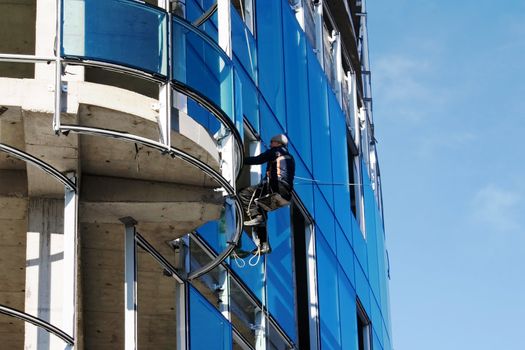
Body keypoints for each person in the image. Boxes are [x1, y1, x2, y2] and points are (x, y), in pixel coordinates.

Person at [237, 134, 295, 254]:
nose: (270, 145)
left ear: (278, 143)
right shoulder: (289, 157)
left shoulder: (276, 151)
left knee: (243, 194)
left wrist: (240, 160)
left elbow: (258, 160)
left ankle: (256, 217)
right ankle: (264, 245)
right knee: (261, 210)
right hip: (285, 192)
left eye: (272, 142)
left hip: (275, 186)